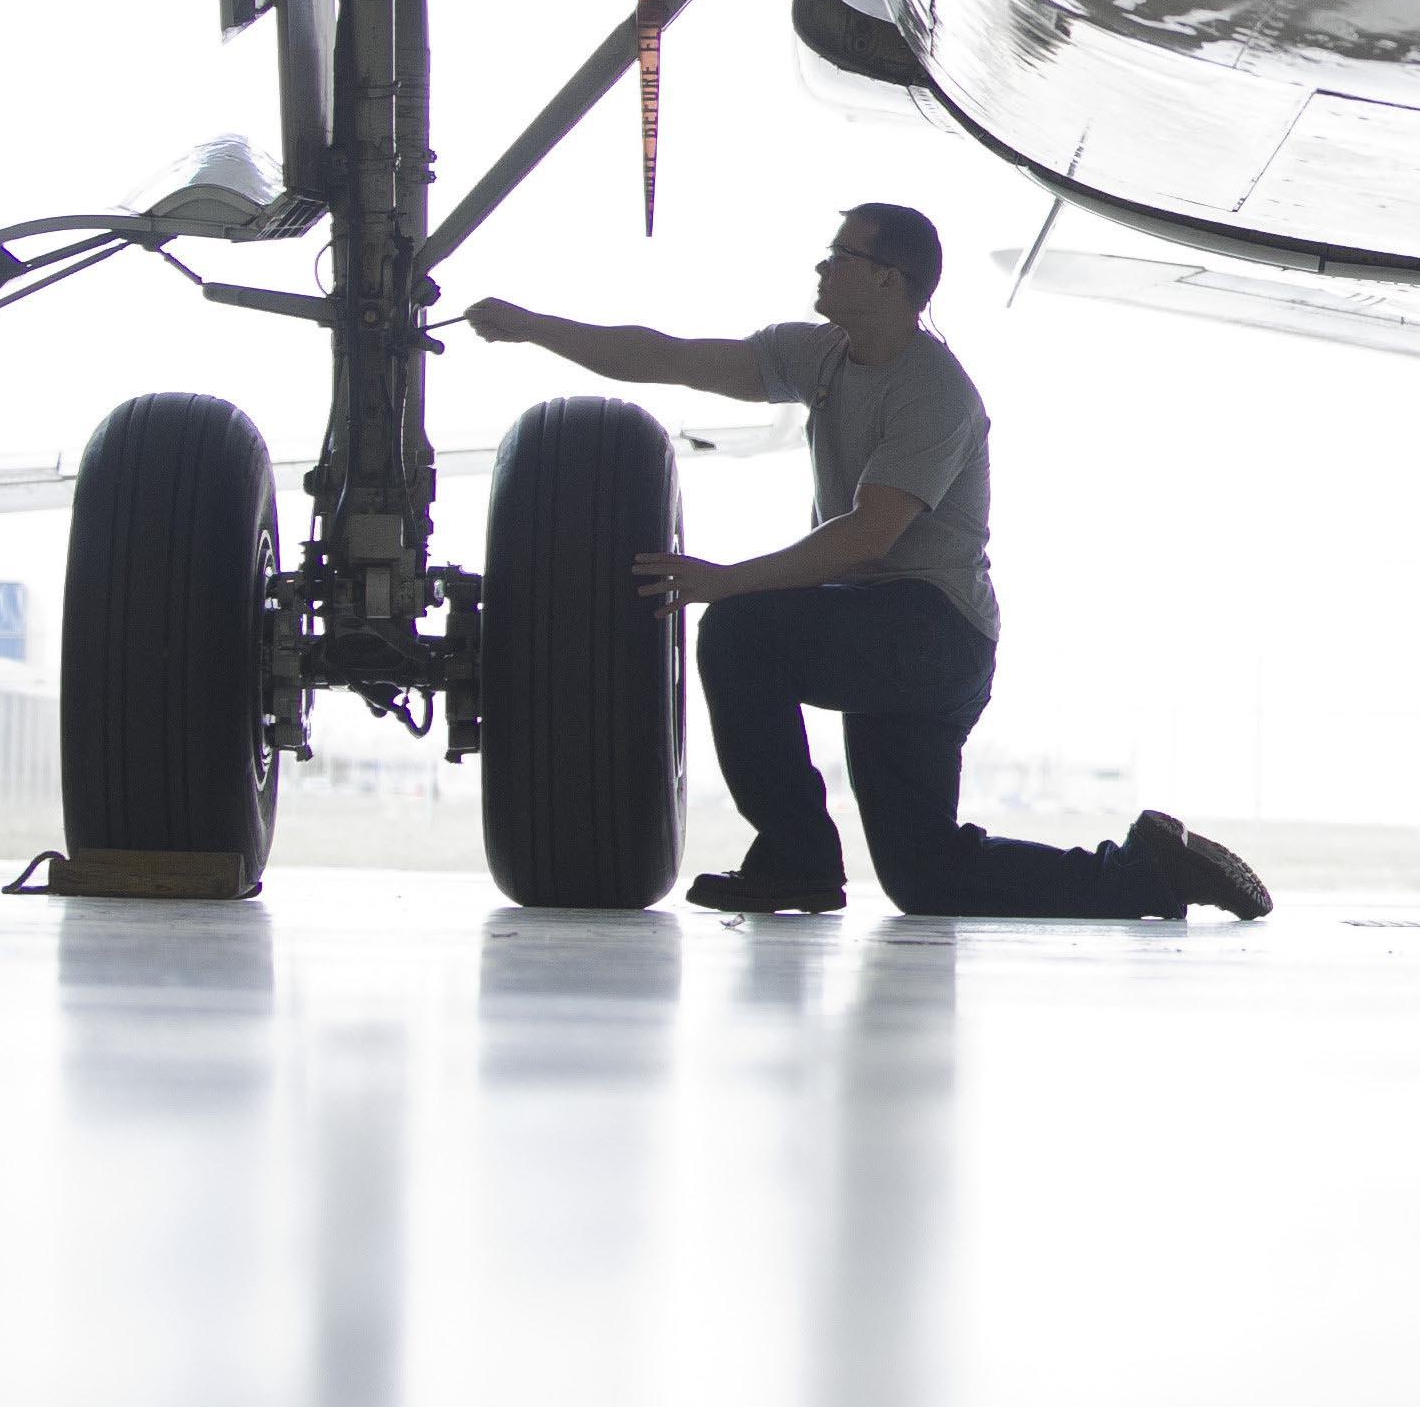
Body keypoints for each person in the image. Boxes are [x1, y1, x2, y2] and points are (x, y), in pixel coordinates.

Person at [469, 204, 1269, 923]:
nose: (822, 267)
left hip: (932, 634)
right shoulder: (819, 356)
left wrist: (722, 582)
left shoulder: (934, 391)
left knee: (742, 631)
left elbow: (867, 536)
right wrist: (537, 327)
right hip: (880, 629)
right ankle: (1149, 874)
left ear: (889, 280)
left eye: (840, 254)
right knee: (928, 878)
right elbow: (672, 357)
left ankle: (797, 860)